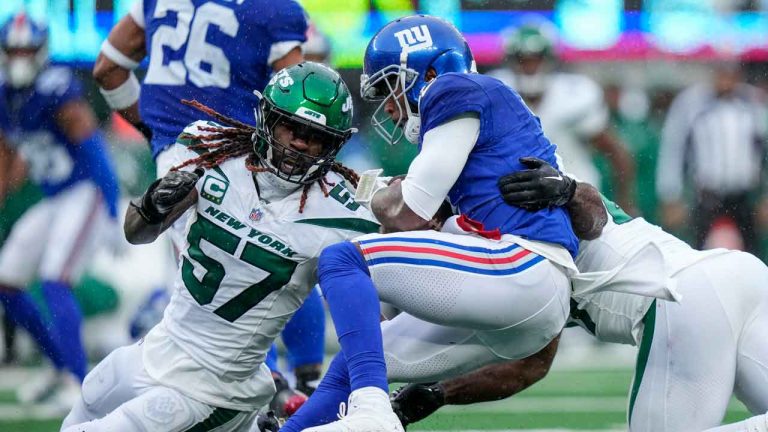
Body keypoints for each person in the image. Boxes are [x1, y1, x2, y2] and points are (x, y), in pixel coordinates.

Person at [280, 15, 611, 432]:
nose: (387, 105)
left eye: (390, 85)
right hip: (529, 309)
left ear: (429, 72)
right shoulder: (489, 126)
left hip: (520, 269)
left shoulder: (456, 89)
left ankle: (373, 415)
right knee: (357, 363)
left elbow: (407, 213)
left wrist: (372, 192)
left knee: (341, 261)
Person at [61, 62, 377, 432]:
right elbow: (138, 233)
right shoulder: (214, 151)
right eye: (292, 126)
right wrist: (151, 205)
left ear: (334, 145)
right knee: (85, 405)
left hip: (216, 389)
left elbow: (379, 308)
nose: (301, 142)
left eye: (316, 136)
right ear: (267, 119)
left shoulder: (345, 214)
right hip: (159, 346)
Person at [391, 158, 768, 432]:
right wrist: (440, 393)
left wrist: (568, 190)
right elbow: (530, 365)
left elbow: (588, 207)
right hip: (738, 274)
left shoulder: (492, 217)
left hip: (682, 297)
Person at [93, 0, 325, 395]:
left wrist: (155, 130)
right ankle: (305, 379)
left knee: (222, 276)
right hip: (252, 155)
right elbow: (301, 102)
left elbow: (108, 70)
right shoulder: (273, 9)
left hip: (180, 157)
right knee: (287, 256)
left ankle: (269, 387)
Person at [0, 12, 120, 406]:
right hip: (54, 197)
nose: (19, 56)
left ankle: (78, 379)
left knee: (55, 279)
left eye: (26, 49)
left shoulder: (56, 85)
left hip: (82, 193)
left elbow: (93, 148)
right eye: (13, 49)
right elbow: (13, 157)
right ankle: (58, 365)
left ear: (41, 50)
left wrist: (113, 207)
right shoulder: (6, 92)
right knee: (7, 280)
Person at [488, 23, 636, 213]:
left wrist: (626, 202)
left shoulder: (575, 94)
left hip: (577, 199)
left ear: (548, 59)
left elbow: (616, 153)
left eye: (535, 59)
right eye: (523, 59)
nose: (530, 67)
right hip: (519, 203)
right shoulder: (496, 93)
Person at [656, 61, 768, 254]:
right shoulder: (692, 103)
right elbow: (674, 149)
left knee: (752, 254)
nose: (726, 79)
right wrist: (671, 194)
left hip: (744, 194)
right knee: (698, 254)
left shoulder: (754, 104)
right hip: (707, 195)